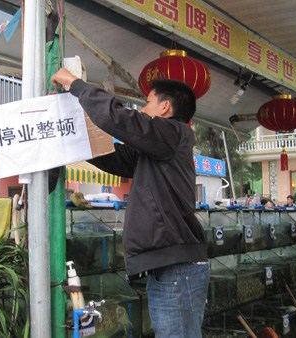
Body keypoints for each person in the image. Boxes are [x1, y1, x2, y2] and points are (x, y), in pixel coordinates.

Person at [51, 68, 209, 338]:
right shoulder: (160, 147)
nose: (142, 109)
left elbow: (121, 119)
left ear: (165, 108)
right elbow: (119, 158)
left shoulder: (172, 133)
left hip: (176, 271)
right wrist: (74, 142)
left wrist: (75, 84)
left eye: (147, 102)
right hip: (170, 270)